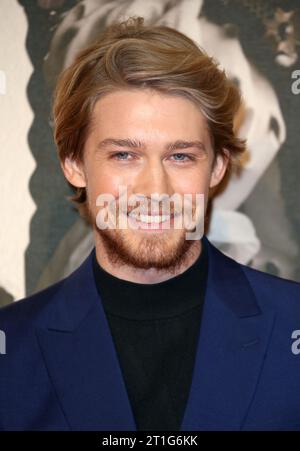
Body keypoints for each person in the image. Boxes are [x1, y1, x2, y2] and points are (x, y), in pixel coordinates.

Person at [0, 16, 300, 431]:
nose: (155, 189)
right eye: (124, 155)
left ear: (216, 169)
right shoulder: (10, 351)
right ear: (75, 166)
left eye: (181, 156)